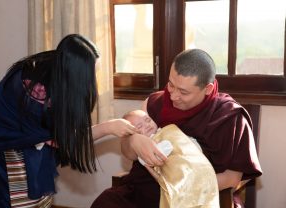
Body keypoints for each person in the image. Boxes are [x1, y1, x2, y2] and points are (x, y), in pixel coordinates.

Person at [0, 34, 138, 207]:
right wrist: (109, 127)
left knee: (41, 193)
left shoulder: (58, 68)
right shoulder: (37, 94)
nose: (92, 78)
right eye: (90, 72)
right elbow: (67, 138)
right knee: (23, 199)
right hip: (7, 140)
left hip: (27, 138)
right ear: (75, 71)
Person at [91, 49, 262, 208]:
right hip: (142, 190)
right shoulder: (155, 103)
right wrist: (134, 141)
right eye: (171, 84)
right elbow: (128, 154)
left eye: (183, 92)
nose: (172, 96)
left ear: (207, 89)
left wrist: (177, 187)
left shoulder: (230, 117)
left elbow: (232, 178)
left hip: (193, 196)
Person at [92, 109, 220, 208]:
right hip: (138, 188)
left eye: (147, 120)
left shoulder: (168, 133)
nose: (146, 125)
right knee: (108, 199)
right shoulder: (137, 145)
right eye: (139, 127)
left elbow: (186, 148)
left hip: (163, 189)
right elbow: (140, 158)